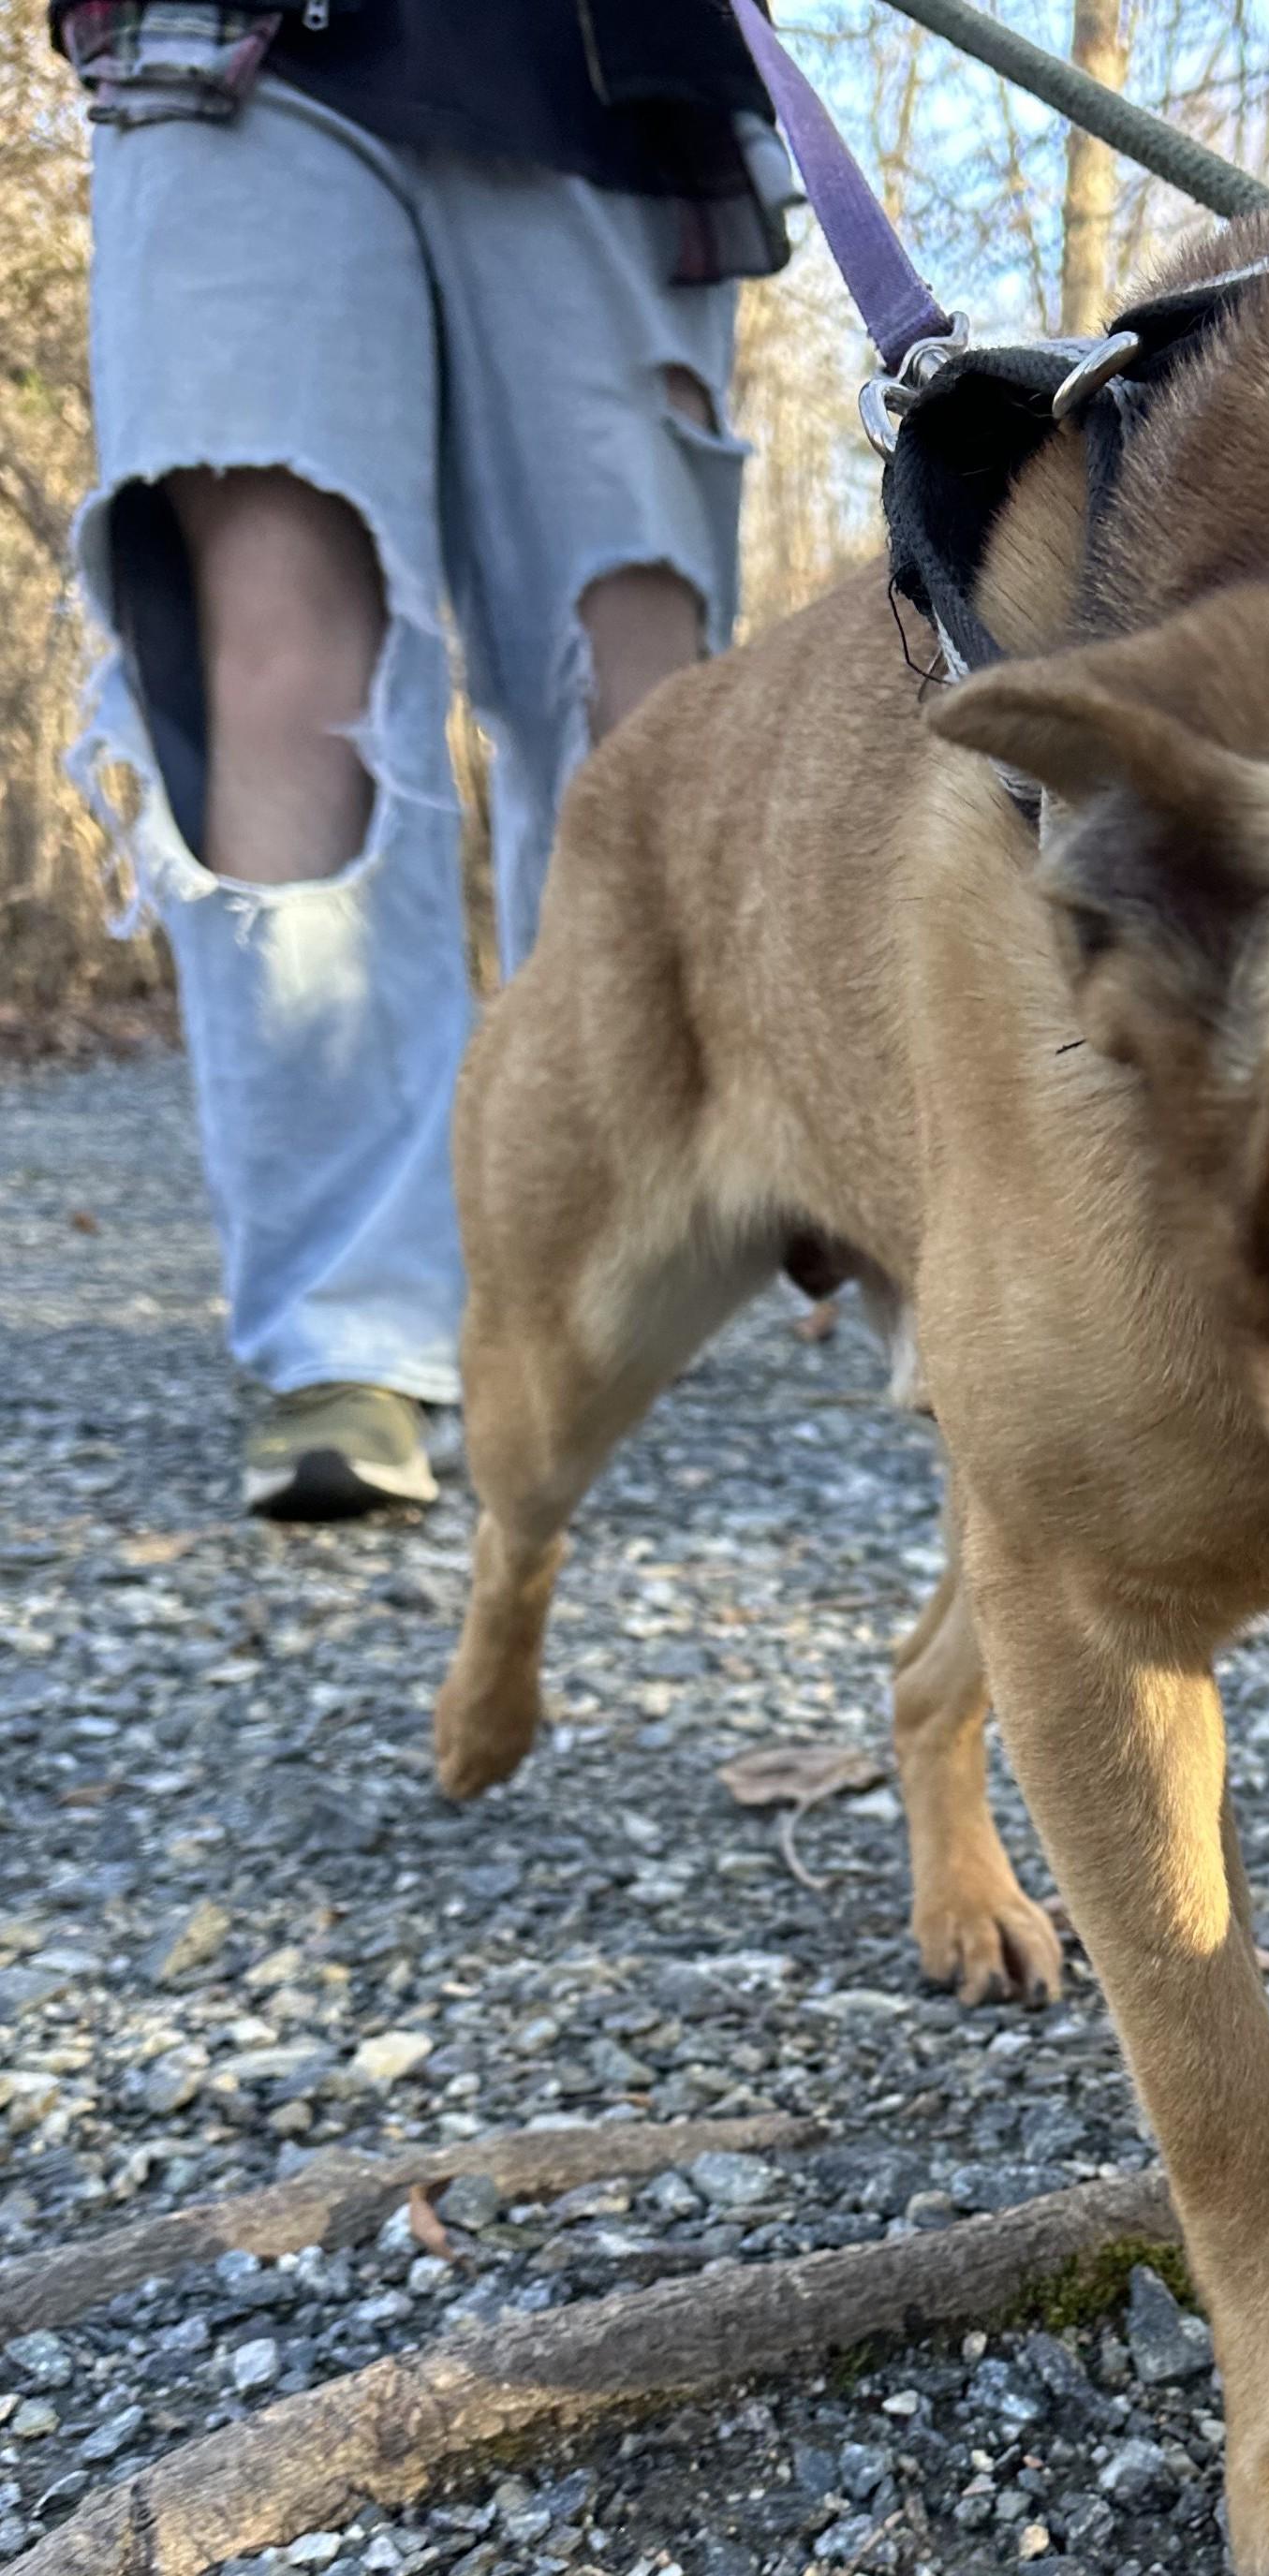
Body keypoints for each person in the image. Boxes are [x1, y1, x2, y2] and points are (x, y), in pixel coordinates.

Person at [56, 0, 790, 1517]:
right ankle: (349, 1332)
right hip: (225, 46)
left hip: (599, 61)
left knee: (632, 676)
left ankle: (616, 1240)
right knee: (278, 655)